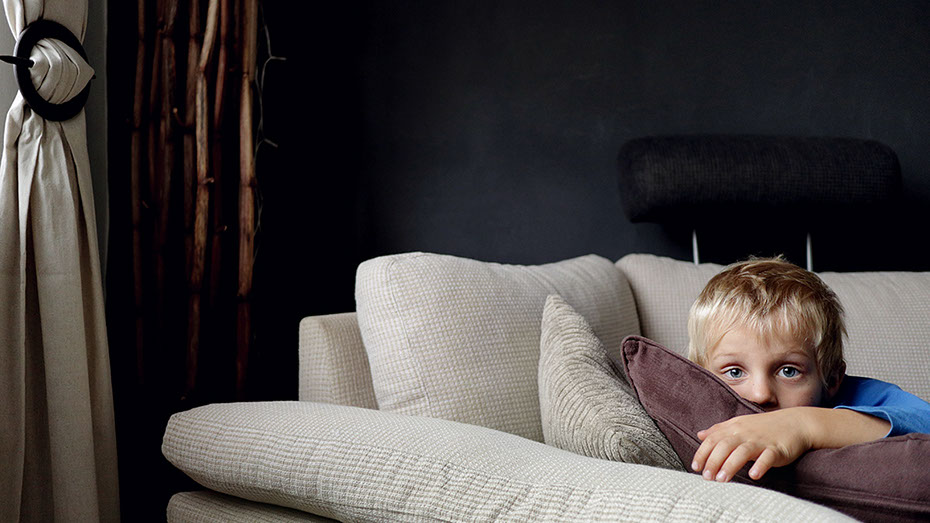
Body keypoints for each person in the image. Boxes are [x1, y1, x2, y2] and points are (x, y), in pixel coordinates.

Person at [686, 257, 930, 483]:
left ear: (831, 379)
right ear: (699, 375)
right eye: (735, 372)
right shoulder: (692, 408)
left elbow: (924, 423)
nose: (760, 395)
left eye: (788, 371)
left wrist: (804, 425)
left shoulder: (859, 395)